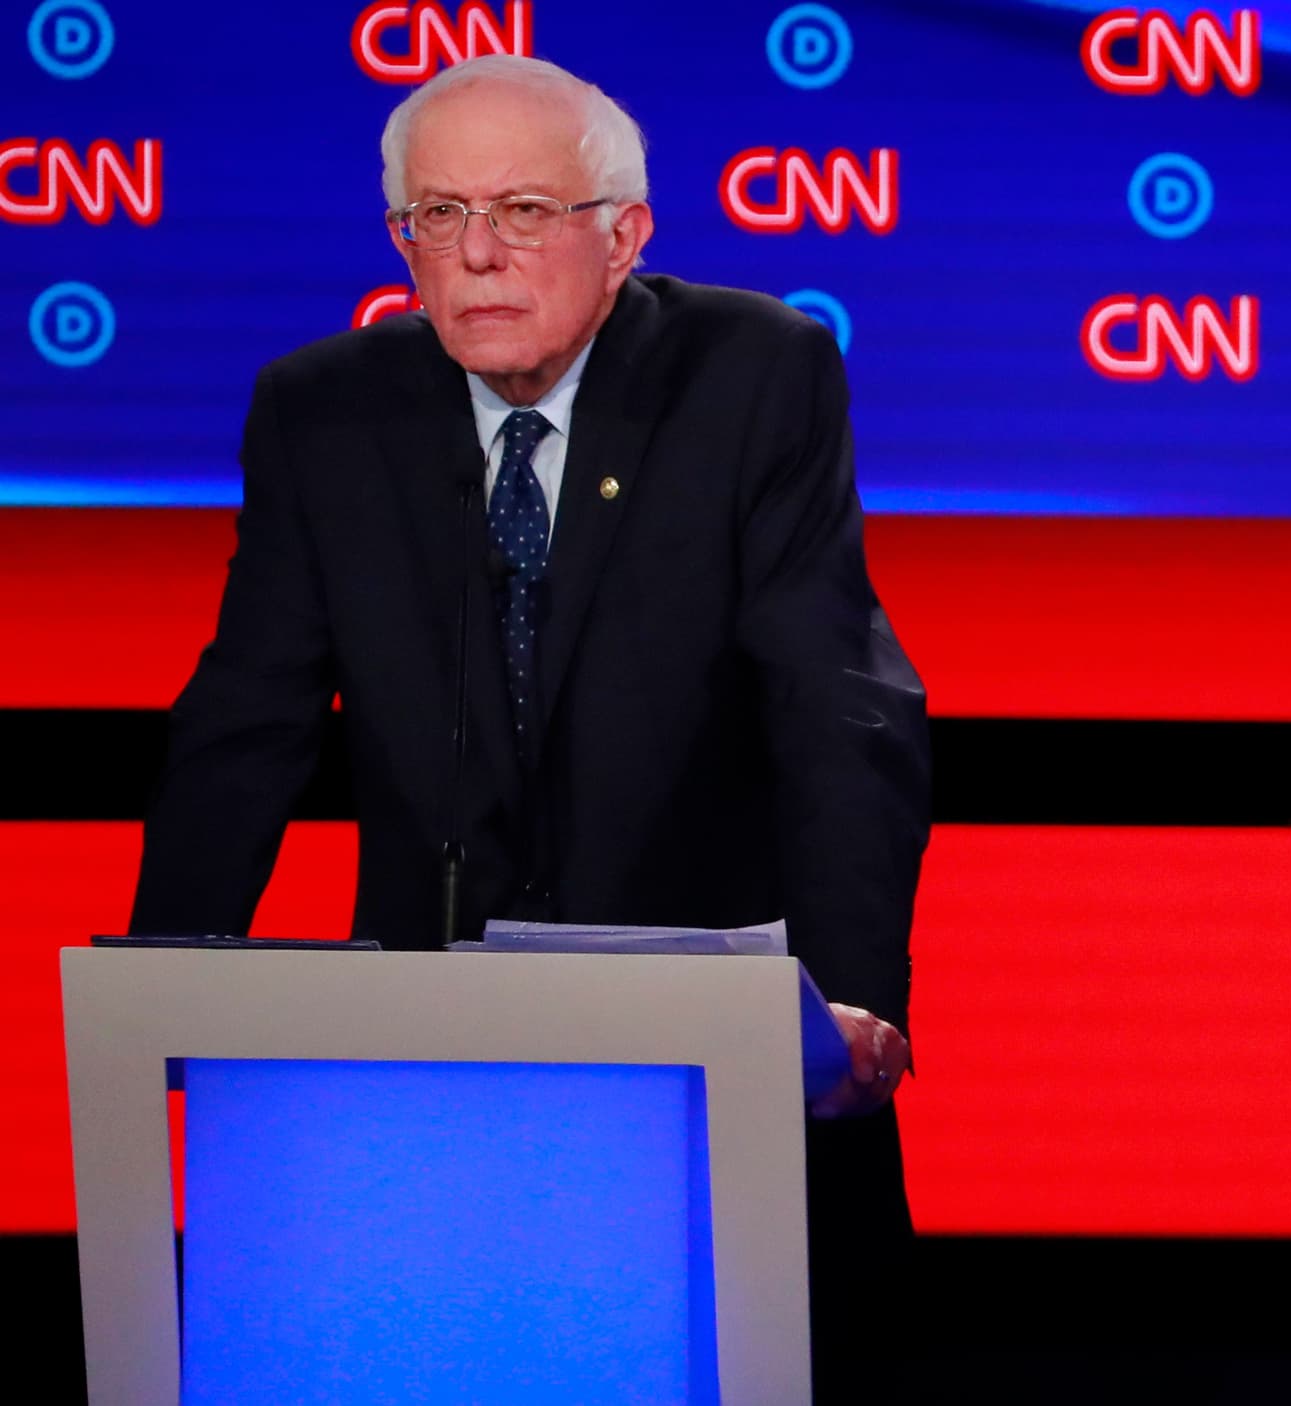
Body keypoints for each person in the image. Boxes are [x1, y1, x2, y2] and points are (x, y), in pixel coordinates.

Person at [126, 54, 927, 1389]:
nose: (478, 254)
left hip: (700, 1034)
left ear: (624, 236)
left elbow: (838, 701)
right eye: (438, 216)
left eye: (524, 212)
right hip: (430, 1056)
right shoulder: (323, 410)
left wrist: (846, 997)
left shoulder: (753, 375)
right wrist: (169, 966)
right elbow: (248, 711)